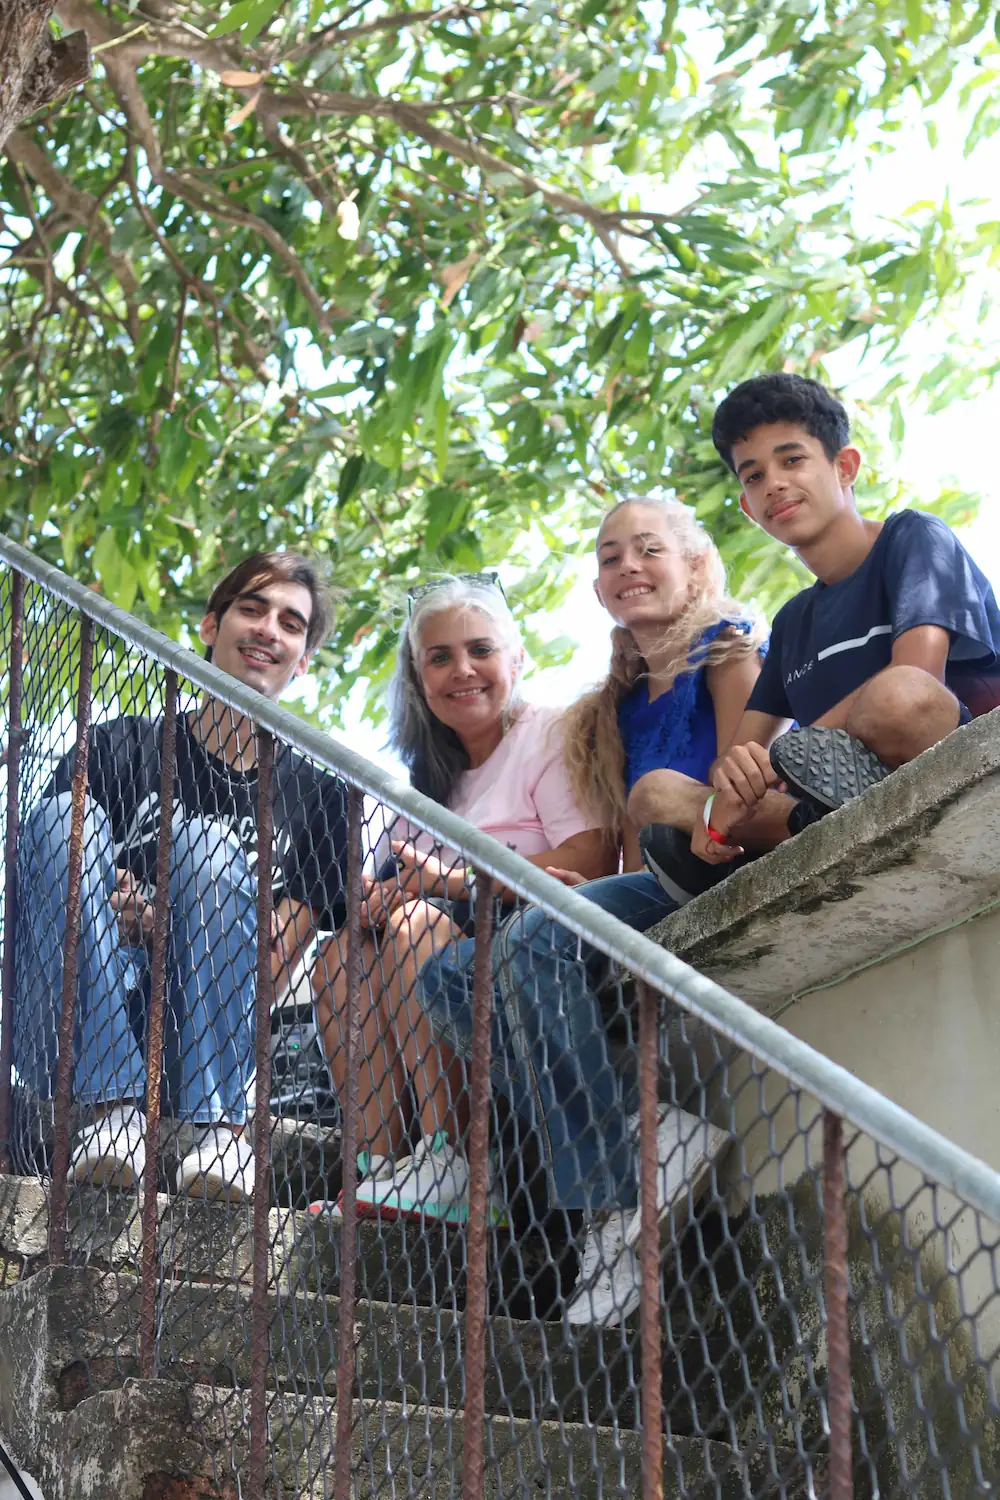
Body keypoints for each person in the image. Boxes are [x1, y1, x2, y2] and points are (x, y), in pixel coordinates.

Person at [415, 499, 764, 1326]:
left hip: (716, 863)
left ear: (693, 565)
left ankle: (613, 1194)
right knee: (449, 974)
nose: (628, 568)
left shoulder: (729, 646)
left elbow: (753, 773)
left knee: (528, 946)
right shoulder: (621, 695)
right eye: (610, 557)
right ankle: (640, 1137)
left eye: (649, 550)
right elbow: (615, 844)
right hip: (647, 887)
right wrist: (593, 897)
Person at [16, 552, 349, 1200]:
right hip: (73, 1015)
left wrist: (167, 924)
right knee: (59, 817)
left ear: (302, 658)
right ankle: (114, 1117)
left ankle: (219, 1131)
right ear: (209, 625)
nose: (268, 630)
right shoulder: (121, 747)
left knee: (201, 844)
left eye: (290, 622)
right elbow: (54, 879)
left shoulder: (325, 801)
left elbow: (273, 968)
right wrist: (125, 931)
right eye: (251, 608)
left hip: (204, 1036)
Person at [310, 573, 614, 1222]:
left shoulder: (550, 732)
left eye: (481, 650)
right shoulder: (424, 786)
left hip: (527, 939)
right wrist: (375, 901)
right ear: (420, 678)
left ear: (517, 658)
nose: (462, 670)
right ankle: (381, 1169)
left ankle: (457, 1163)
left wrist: (442, 885)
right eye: (439, 658)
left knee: (418, 925)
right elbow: (401, 882)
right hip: (436, 943)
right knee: (339, 958)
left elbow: (588, 860)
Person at [633, 374, 1000, 902]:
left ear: (844, 466)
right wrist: (733, 776)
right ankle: (810, 822)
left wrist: (781, 761)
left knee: (899, 697)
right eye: (754, 476)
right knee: (654, 792)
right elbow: (741, 752)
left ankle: (800, 822)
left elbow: (919, 675)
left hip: (951, 763)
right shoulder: (793, 619)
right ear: (746, 506)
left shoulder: (913, 537)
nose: (774, 484)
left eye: (792, 460)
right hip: (818, 790)